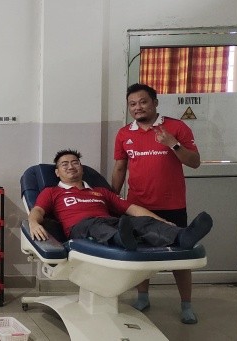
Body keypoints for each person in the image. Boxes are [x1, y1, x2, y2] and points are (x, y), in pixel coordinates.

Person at [112, 83, 203, 323]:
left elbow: (195, 162)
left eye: (143, 102)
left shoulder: (176, 127)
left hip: (172, 205)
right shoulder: (124, 133)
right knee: (140, 253)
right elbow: (120, 167)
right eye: (132, 104)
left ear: (154, 103)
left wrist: (173, 144)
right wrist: (112, 198)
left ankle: (186, 305)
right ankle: (143, 297)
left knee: (180, 256)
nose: (137, 108)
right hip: (138, 205)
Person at [29, 149, 211, 253]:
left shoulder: (101, 192)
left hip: (114, 223)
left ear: (81, 168)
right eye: (64, 164)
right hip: (81, 227)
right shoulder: (52, 192)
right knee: (97, 227)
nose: (71, 166)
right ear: (57, 172)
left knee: (140, 222)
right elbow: (37, 211)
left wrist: (161, 221)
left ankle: (183, 236)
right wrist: (33, 224)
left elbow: (132, 208)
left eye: (75, 162)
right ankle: (121, 239)